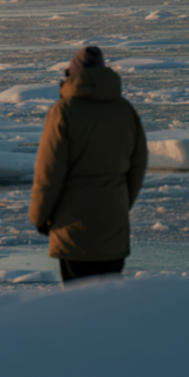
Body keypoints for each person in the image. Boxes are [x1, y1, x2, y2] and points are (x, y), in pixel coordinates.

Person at [29, 46, 147, 283]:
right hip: (113, 226)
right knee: (109, 300)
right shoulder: (125, 111)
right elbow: (138, 165)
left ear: (72, 75)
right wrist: (121, 204)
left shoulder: (63, 112)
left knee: (79, 301)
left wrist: (39, 217)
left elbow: (49, 172)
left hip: (73, 230)